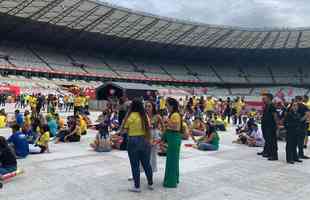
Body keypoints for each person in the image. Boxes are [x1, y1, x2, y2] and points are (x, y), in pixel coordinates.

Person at [121, 98, 153, 193]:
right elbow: (149, 129)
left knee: (135, 164)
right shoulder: (145, 116)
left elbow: (125, 130)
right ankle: (150, 183)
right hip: (145, 140)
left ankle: (137, 186)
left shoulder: (130, 116)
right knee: (146, 163)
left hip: (133, 141)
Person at [162, 97, 182, 188]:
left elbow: (176, 127)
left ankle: (171, 182)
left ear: (172, 105)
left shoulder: (175, 115)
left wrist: (167, 121)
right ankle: (174, 179)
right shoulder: (173, 115)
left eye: (167, 105)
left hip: (174, 139)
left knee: (172, 161)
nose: (166, 107)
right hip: (173, 139)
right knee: (173, 160)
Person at [257, 93, 278, 161]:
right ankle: (266, 151)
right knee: (267, 139)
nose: (263, 99)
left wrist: (276, 125)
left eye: (264, 98)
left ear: (269, 98)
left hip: (270, 126)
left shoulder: (272, 106)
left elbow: (275, 116)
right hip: (265, 126)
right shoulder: (267, 105)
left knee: (271, 141)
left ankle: (273, 155)